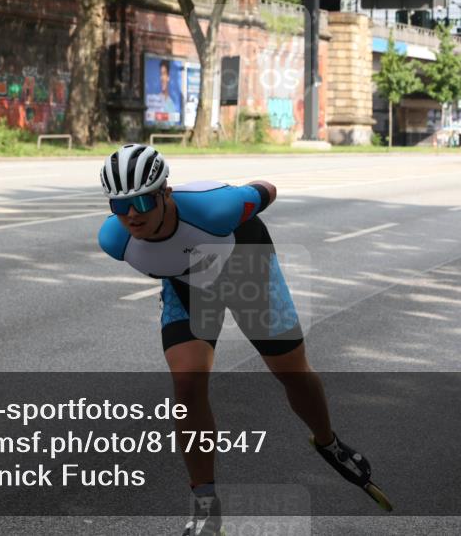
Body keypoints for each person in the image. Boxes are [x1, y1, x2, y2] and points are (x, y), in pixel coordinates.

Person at [98, 144, 376, 536]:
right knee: (186, 382)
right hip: (190, 284)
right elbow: (166, 257)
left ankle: (328, 442)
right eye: (119, 204)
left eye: (142, 201)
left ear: (165, 192)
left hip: (247, 267)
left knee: (291, 373)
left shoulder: (217, 208)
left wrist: (245, 193)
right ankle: (206, 506)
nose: (130, 215)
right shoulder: (115, 241)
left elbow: (267, 188)